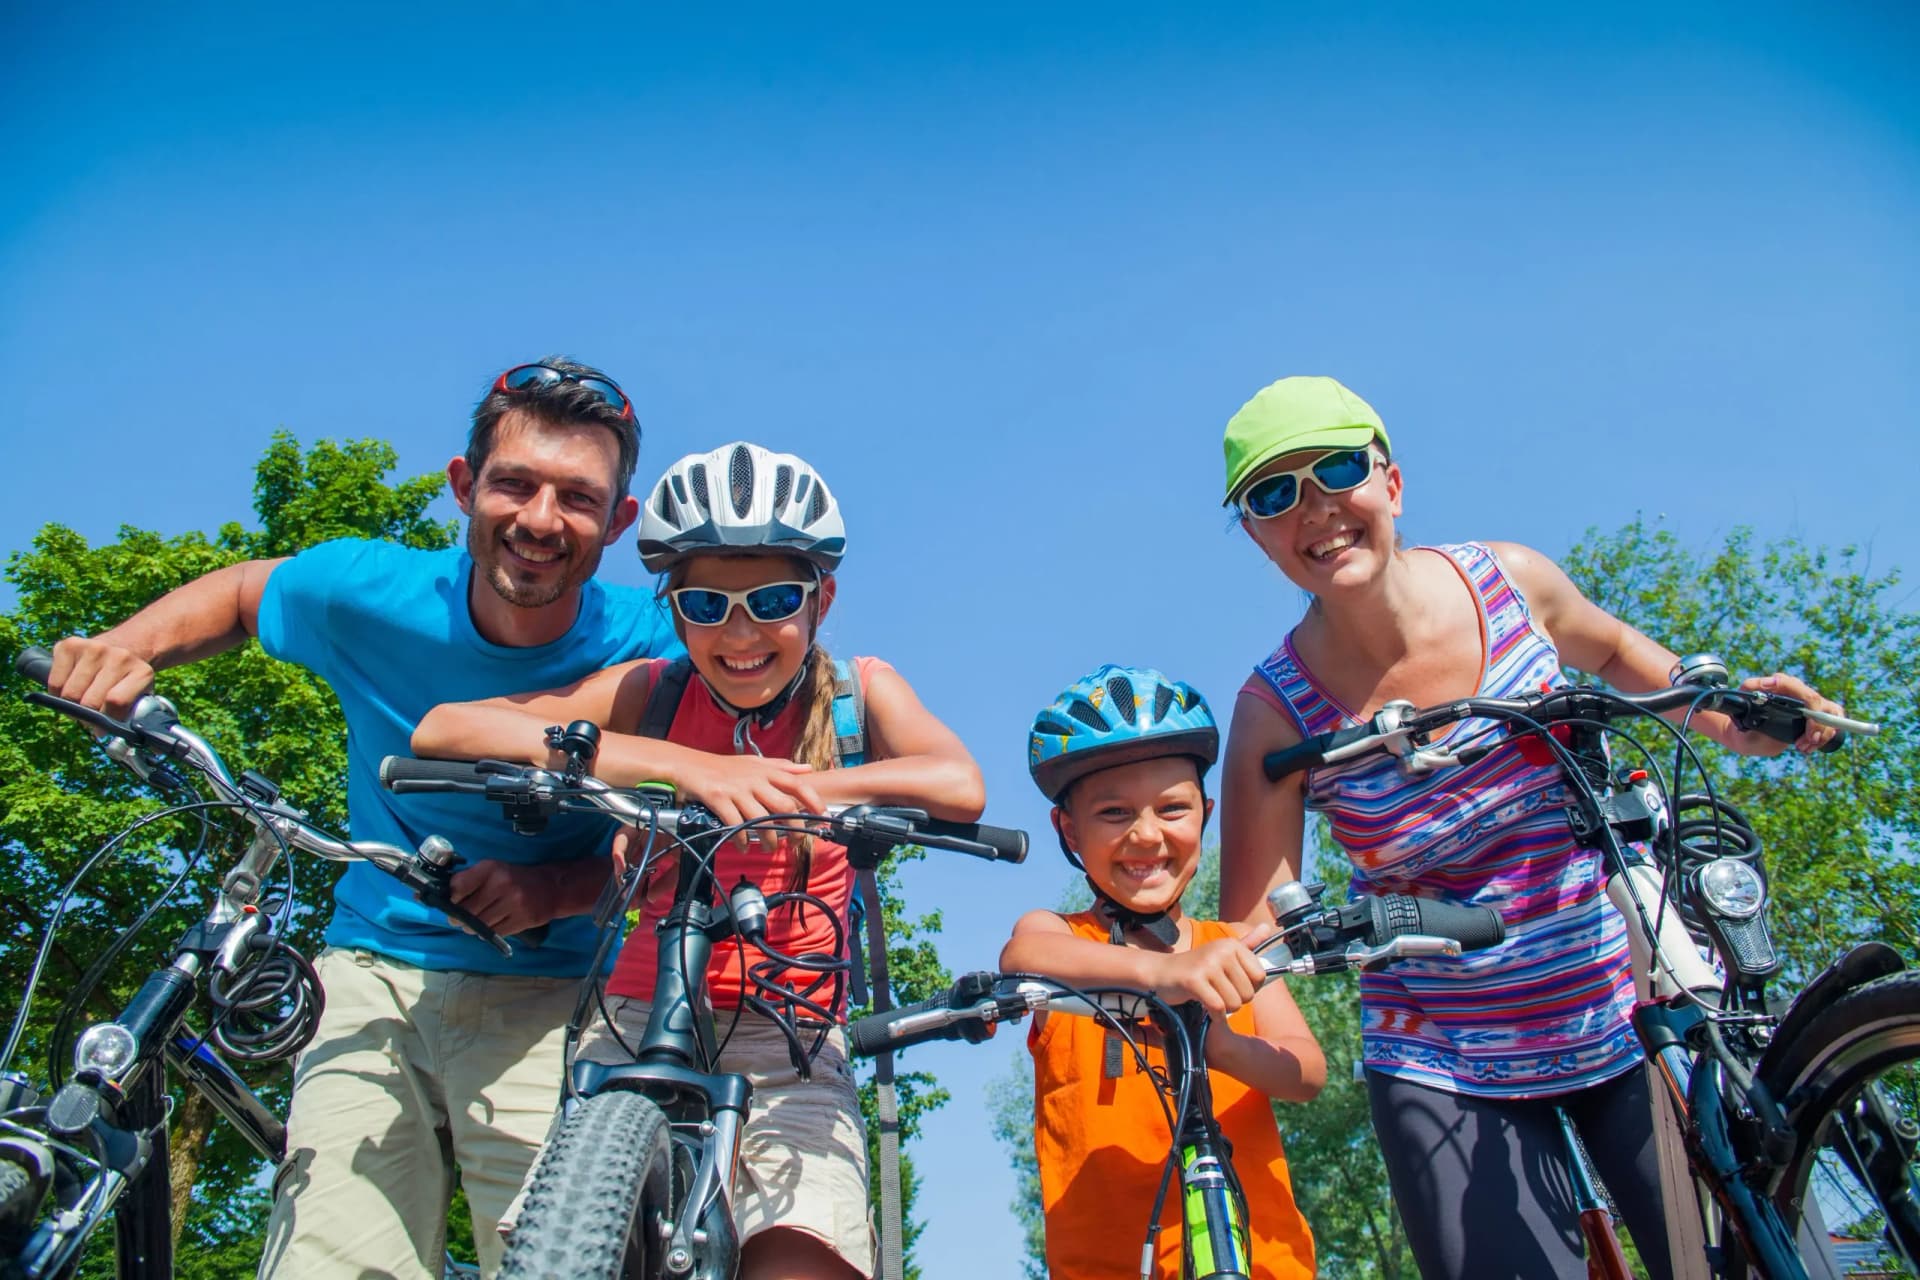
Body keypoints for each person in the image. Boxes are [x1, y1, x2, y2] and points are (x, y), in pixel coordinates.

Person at [43, 358, 680, 1280]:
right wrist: (120, 651)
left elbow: (693, 823)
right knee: (330, 1256)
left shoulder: (655, 643)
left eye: (578, 498)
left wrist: (561, 887)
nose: (541, 521)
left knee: (567, 1253)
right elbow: (242, 593)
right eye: (515, 484)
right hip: (369, 972)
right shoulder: (365, 592)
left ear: (619, 522)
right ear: (464, 486)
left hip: (557, 993)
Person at [1213, 375, 1847, 1280]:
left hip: (1630, 1000)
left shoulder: (1509, 579)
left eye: (1337, 470)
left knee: (1749, 1252)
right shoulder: (1275, 715)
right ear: (1256, 534)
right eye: (1275, 494)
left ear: (1390, 484)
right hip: (1447, 1053)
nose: (1315, 508)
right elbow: (1256, 919)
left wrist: (1737, 713)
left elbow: (1630, 661)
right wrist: (1195, 981)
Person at [412, 440, 986, 1280]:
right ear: (674, 610)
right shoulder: (657, 690)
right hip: (636, 1012)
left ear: (822, 599)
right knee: (571, 1246)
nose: (741, 632)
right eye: (707, 604)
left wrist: (799, 789)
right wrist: (692, 767)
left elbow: (958, 783)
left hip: (790, 1038)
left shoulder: (859, 690)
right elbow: (446, 729)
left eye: (775, 599)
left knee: (801, 1253)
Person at [1001, 664, 1322, 1280]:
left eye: (1172, 808)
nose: (1146, 835)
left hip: (1263, 1259)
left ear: (1204, 813)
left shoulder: (1232, 945)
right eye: (1114, 813)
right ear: (1068, 829)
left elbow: (1306, 1071)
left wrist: (1221, 1045)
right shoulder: (1064, 935)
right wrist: (1162, 974)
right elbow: (1023, 957)